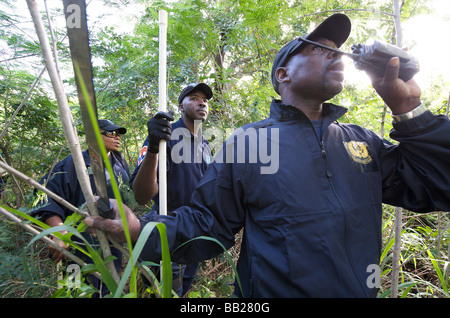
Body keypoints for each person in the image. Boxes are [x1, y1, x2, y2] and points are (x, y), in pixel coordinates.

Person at [84, 14, 450, 297]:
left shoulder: (363, 142)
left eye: (335, 49)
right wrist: (137, 229)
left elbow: (439, 184)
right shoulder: (249, 143)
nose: (334, 53)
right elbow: (206, 223)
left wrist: (408, 109)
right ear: (283, 74)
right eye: (316, 47)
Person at [129, 83, 213, 297]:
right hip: (167, 231)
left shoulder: (204, 144)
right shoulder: (166, 135)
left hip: (194, 232)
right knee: (165, 292)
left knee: (183, 291)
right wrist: (155, 148)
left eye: (204, 100)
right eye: (194, 98)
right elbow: (142, 195)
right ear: (181, 106)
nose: (201, 102)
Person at [32, 119, 130, 296]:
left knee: (107, 289)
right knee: (75, 290)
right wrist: (60, 232)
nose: (117, 138)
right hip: (79, 245)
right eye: (110, 133)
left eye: (118, 134)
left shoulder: (119, 162)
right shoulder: (73, 165)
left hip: (113, 244)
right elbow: (43, 195)